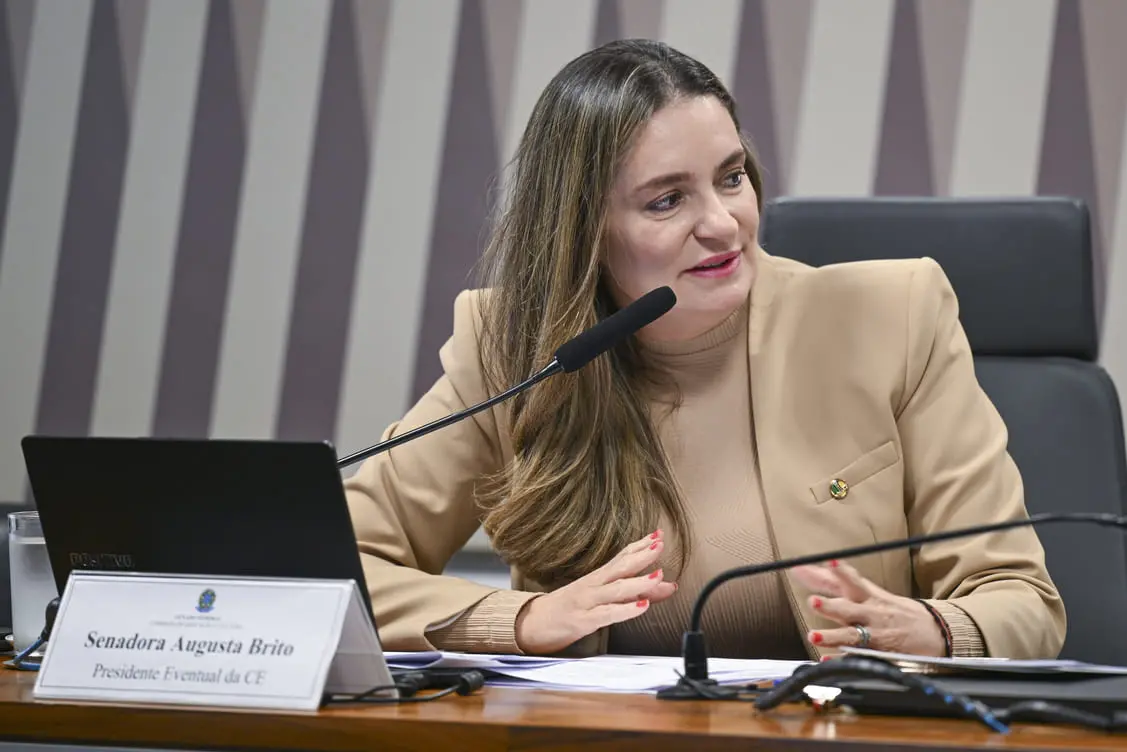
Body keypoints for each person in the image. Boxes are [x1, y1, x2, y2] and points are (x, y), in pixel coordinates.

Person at [343, 39, 1065, 661]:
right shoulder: (517, 351)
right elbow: (335, 568)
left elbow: (1022, 601)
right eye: (666, 200)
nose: (722, 223)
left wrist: (932, 629)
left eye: (730, 177)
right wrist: (521, 619)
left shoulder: (889, 318)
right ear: (584, 231)